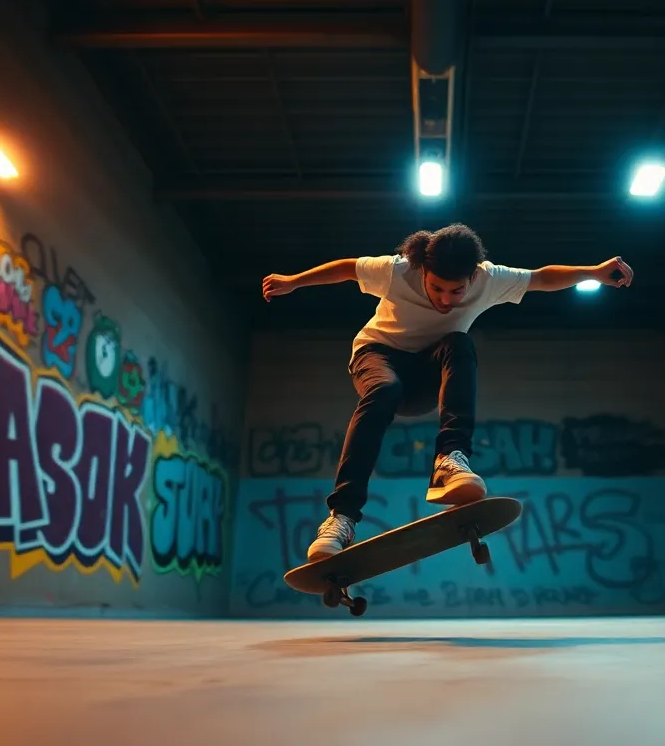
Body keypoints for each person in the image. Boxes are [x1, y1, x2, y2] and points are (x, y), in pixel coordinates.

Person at [261, 223, 634, 561]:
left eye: (456, 291)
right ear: (423, 270)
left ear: (473, 277)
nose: (444, 299)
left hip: (427, 376)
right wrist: (294, 281)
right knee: (384, 390)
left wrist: (594, 273)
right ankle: (341, 518)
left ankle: (449, 461)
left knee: (459, 342)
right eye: (435, 288)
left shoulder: (490, 279)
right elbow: (346, 268)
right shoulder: (397, 270)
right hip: (377, 356)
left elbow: (542, 278)